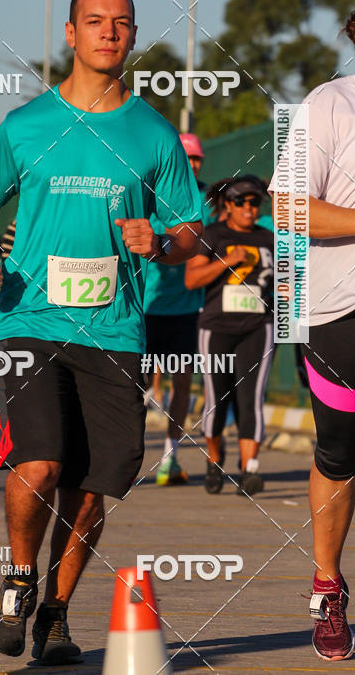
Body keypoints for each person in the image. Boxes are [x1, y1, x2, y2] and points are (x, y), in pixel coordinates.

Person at [0, 0, 203, 665]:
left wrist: (160, 240)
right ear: (70, 33)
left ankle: (57, 615)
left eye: (121, 23)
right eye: (94, 21)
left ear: (132, 36)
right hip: (31, 318)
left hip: (117, 329)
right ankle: (17, 581)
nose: (107, 32)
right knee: (40, 460)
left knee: (95, 486)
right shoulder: (25, 125)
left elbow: (191, 227)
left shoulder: (152, 133)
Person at [270, 0, 355, 661]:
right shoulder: (330, 104)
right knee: (336, 454)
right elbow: (288, 207)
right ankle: (328, 585)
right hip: (338, 303)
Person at [185, 175, 274, 496]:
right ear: (227, 205)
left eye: (254, 203)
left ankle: (249, 469)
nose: (249, 208)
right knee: (217, 399)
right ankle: (215, 460)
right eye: (241, 202)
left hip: (258, 327)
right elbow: (192, 280)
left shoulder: (269, 239)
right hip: (217, 328)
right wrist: (226, 261)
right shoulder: (212, 236)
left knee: (252, 400)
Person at [143, 132, 210, 485]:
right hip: (146, 306)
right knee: (133, 387)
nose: (191, 164)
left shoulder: (206, 203)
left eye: (196, 159)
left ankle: (170, 456)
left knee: (182, 384)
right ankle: (127, 453)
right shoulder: (151, 197)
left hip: (186, 310)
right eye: (185, 158)